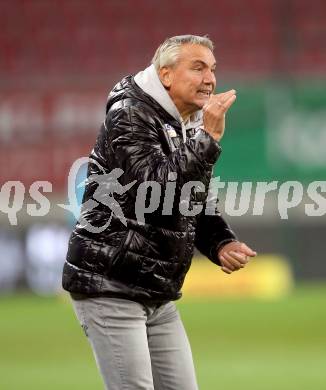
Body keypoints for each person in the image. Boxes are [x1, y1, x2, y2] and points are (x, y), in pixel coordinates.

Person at [62, 34, 257, 390]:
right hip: (111, 283)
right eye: (197, 68)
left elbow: (190, 195)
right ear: (166, 75)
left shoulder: (186, 122)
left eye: (212, 69)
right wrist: (208, 141)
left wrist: (220, 242)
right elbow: (153, 192)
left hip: (156, 290)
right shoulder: (130, 116)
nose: (210, 79)